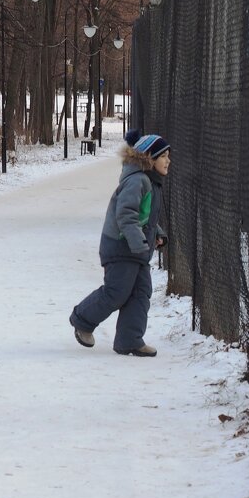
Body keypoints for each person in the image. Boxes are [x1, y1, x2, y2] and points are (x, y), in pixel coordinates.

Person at [69, 129, 171, 357]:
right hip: (120, 247)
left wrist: (157, 233)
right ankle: (82, 320)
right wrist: (138, 244)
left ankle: (129, 340)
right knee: (117, 292)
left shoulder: (151, 182)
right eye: (164, 156)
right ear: (150, 159)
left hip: (137, 249)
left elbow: (146, 217)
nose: (168, 161)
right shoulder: (138, 181)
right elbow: (125, 215)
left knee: (141, 292)